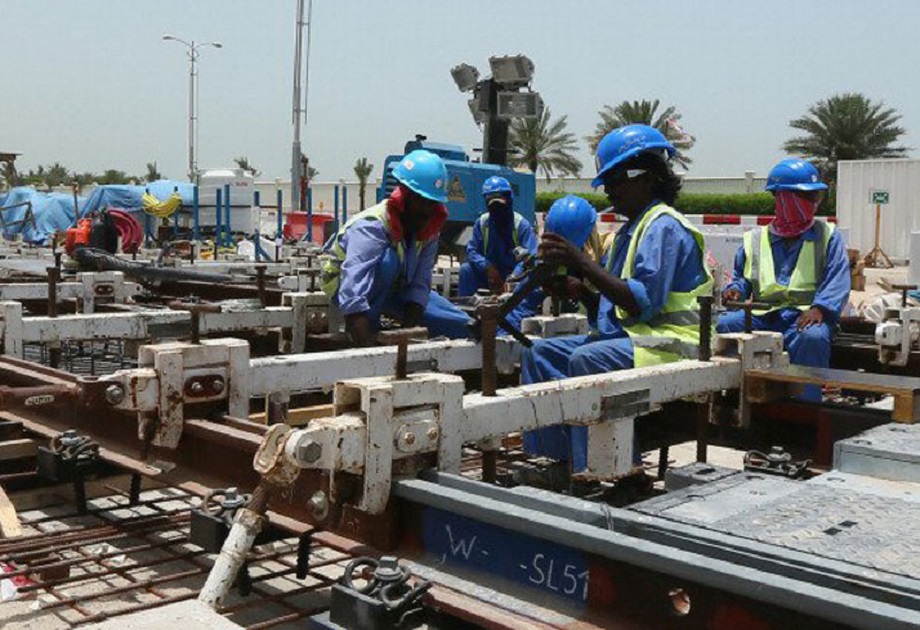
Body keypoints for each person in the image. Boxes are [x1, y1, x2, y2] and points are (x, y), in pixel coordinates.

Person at [522, 124, 713, 472]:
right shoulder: (630, 231)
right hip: (638, 339)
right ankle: (555, 460)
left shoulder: (663, 226)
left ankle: (609, 469)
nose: (608, 190)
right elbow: (617, 309)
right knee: (539, 352)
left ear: (646, 176)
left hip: (671, 344)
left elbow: (641, 303)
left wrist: (580, 261)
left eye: (614, 179)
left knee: (587, 360)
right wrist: (582, 293)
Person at [717, 158, 850, 400]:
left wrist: (820, 308)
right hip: (762, 316)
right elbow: (743, 277)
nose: (813, 204)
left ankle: (807, 406)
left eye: (814, 198)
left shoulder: (827, 237)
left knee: (812, 337)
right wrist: (735, 290)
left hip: (804, 317)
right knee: (728, 325)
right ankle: (736, 398)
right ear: (783, 199)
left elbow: (837, 279)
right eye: (806, 197)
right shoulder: (755, 240)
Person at [321, 150, 473, 345]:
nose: (426, 211)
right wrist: (369, 349)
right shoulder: (371, 226)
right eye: (422, 202)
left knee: (458, 323)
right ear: (404, 198)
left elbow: (420, 284)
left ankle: (489, 335)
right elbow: (354, 288)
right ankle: (371, 324)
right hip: (348, 289)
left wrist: (407, 335)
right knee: (388, 261)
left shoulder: (429, 228)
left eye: (432, 204)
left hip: (395, 289)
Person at [459, 176, 537, 296]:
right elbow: (472, 251)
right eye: (492, 205)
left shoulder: (521, 225)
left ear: (509, 200)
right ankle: (466, 310)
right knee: (466, 270)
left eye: (500, 204)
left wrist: (513, 277)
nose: (497, 209)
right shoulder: (482, 223)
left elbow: (531, 257)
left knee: (530, 277)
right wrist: (488, 268)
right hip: (489, 274)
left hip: (514, 276)